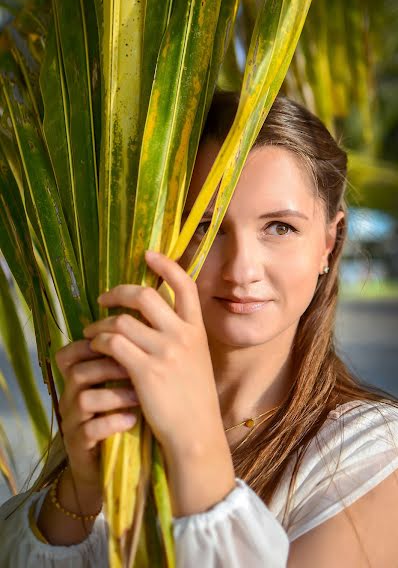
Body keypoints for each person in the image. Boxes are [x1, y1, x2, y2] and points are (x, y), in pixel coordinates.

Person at [1, 92, 398, 567]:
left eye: (279, 228)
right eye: (206, 228)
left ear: (328, 244)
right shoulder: (119, 426)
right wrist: (81, 494)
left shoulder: (367, 458)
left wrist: (194, 446)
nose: (242, 270)